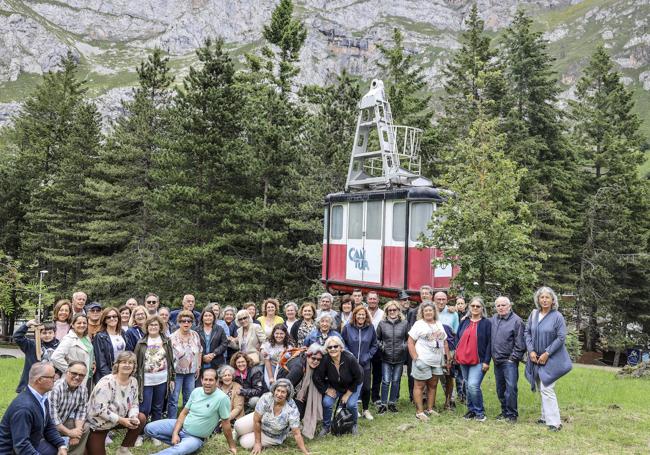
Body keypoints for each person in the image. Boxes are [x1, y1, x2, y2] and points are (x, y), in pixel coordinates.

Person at [144, 368, 237, 455]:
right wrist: (175, 433)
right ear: (201, 380)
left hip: (196, 437)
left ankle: (187, 446)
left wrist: (232, 446)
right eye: (206, 379)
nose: (207, 383)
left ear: (216, 381)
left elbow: (226, 424)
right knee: (149, 428)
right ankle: (181, 442)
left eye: (211, 380)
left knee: (180, 450)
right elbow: (184, 413)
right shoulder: (196, 391)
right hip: (182, 427)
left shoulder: (222, 398)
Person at [525, 286, 573, 432]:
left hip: (552, 358)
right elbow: (527, 332)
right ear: (538, 300)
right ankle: (544, 417)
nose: (544, 300)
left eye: (547, 297)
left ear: (553, 300)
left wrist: (547, 353)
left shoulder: (557, 316)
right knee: (541, 387)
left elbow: (561, 337)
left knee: (547, 388)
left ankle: (555, 423)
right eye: (542, 297)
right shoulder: (533, 314)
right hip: (535, 358)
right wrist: (531, 350)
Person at [85, 351, 146, 455]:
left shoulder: (134, 382)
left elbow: (134, 404)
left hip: (118, 420)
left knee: (141, 418)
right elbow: (100, 410)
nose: (127, 365)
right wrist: (122, 420)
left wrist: (133, 417)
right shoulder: (106, 382)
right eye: (124, 362)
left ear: (134, 366)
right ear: (117, 364)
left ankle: (123, 450)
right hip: (98, 425)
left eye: (130, 362)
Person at [0, 362, 67, 455]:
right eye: (52, 377)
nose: (55, 379)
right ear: (39, 380)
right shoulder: (24, 408)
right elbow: (21, 445)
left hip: (33, 444)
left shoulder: (42, 398)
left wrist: (61, 445)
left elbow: (48, 425)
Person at [234, 379, 309, 454]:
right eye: (278, 390)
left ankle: (247, 434)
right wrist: (257, 443)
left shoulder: (292, 409)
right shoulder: (266, 397)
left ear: (288, 394)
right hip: (260, 421)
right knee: (238, 425)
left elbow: (296, 433)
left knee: (244, 442)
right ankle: (243, 432)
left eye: (283, 392)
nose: (279, 394)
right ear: (274, 390)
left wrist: (305, 452)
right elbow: (256, 420)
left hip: (272, 435)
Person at [134, 315, 175, 446]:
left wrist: (172, 378)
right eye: (150, 325)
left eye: (156, 325)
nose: (153, 327)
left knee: (158, 408)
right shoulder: (141, 343)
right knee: (144, 409)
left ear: (160, 327)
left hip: (162, 380)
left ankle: (155, 434)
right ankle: (139, 434)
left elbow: (170, 361)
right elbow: (136, 362)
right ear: (147, 327)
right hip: (146, 381)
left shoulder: (167, 341)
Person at [408, 301, 450, 421]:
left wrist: (447, 357)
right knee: (419, 385)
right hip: (423, 359)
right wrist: (415, 358)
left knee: (433, 385)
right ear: (422, 312)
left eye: (430, 310)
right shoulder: (418, 324)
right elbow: (410, 342)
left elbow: (445, 341)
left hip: (436, 361)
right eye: (425, 310)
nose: (428, 312)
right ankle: (419, 411)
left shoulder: (438, 324)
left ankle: (430, 409)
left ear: (434, 312)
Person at [313, 336, 363, 436]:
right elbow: (316, 377)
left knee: (351, 404)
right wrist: (326, 390)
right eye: (330, 347)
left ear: (341, 347)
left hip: (353, 384)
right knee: (327, 402)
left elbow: (359, 377)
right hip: (336, 386)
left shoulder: (349, 358)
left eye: (335, 346)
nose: (333, 349)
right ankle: (326, 427)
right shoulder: (325, 360)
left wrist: (347, 394)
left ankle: (354, 425)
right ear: (327, 350)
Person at [455, 296, 492, 422]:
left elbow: (489, 344)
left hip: (479, 360)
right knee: (467, 385)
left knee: (473, 385)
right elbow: (457, 338)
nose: (475, 308)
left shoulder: (487, 323)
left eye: (478, 306)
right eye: (473, 306)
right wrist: (457, 353)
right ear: (469, 307)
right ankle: (471, 410)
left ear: (482, 308)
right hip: (463, 359)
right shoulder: (464, 321)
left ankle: (480, 412)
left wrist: (487, 361)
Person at [491, 296, 526, 422]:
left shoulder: (517, 321)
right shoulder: (494, 319)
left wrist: (513, 358)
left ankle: (512, 415)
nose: (501, 308)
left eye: (503, 305)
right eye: (498, 306)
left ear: (509, 306)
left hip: (509, 361)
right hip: (497, 361)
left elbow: (521, 343)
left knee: (511, 388)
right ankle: (504, 412)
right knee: (500, 389)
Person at [341, 306, 378, 421]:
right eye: (359, 314)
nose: (361, 316)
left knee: (366, 387)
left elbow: (374, 345)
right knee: (350, 386)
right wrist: (349, 355)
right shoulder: (347, 327)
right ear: (355, 315)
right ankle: (351, 408)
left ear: (366, 316)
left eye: (363, 314)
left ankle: (365, 409)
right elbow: (343, 343)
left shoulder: (370, 328)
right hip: (350, 363)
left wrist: (368, 356)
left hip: (365, 363)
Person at [48, 361, 89, 455]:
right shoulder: (56, 389)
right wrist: (70, 433)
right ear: (67, 372)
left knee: (85, 427)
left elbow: (81, 412)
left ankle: (73, 453)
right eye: (74, 373)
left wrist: (77, 432)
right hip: (47, 426)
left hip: (63, 421)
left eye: (81, 375)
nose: (77, 377)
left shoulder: (83, 389)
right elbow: (52, 420)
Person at [168, 310, 202, 419]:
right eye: (183, 321)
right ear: (179, 322)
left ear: (192, 323)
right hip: (176, 373)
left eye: (189, 321)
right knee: (174, 398)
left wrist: (198, 366)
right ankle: (171, 422)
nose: (186, 323)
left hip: (191, 372)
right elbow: (168, 356)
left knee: (188, 398)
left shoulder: (195, 335)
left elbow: (199, 350)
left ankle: (186, 420)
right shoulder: (172, 337)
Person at [376, 300, 409, 414]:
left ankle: (392, 403)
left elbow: (408, 338)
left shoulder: (404, 323)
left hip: (400, 357)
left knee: (396, 380)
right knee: (385, 381)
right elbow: (377, 339)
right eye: (390, 310)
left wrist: (403, 347)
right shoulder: (382, 323)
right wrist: (382, 347)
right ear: (386, 311)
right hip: (386, 356)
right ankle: (383, 404)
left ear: (398, 311)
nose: (392, 312)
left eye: (394, 310)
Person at [14, 319, 59, 393]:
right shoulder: (32, 345)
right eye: (44, 333)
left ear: (54, 334)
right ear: (39, 334)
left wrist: (58, 373)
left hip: (50, 385)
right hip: (31, 384)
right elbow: (17, 337)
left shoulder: (60, 347)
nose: (47, 335)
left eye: (50, 333)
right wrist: (27, 325)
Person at [51, 313, 93, 386]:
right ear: (73, 325)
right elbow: (55, 357)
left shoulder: (87, 338)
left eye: (84, 323)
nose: (82, 325)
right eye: (79, 323)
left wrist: (93, 362)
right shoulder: (69, 339)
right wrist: (71, 371)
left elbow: (89, 353)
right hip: (74, 380)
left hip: (88, 377)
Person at [92, 307, 126, 384]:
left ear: (118, 318)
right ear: (105, 320)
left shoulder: (122, 333)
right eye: (108, 317)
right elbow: (101, 362)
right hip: (108, 376)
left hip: (122, 372)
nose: (112, 318)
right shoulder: (100, 336)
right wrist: (110, 378)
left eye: (114, 316)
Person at [197, 305, 229, 373]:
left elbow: (224, 343)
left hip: (216, 362)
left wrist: (214, 354)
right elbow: (194, 346)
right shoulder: (196, 330)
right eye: (205, 316)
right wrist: (203, 356)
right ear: (202, 318)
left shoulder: (219, 329)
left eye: (210, 315)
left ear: (213, 317)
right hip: (201, 363)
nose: (208, 317)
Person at [365, 291, 384, 405]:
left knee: (377, 373)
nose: (372, 301)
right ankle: (363, 396)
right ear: (367, 300)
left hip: (378, 347)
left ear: (378, 300)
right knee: (364, 373)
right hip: (364, 347)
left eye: (374, 299)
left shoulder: (382, 313)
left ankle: (376, 397)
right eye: (370, 299)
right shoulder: (363, 311)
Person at [261, 324, 293, 388]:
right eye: (277, 333)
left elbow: (290, 361)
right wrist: (271, 378)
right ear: (273, 334)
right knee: (270, 385)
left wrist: (281, 363)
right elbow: (267, 361)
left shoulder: (289, 346)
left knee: (281, 386)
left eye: (281, 334)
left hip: (283, 368)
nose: (279, 336)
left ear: (285, 334)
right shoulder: (268, 344)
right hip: (270, 366)